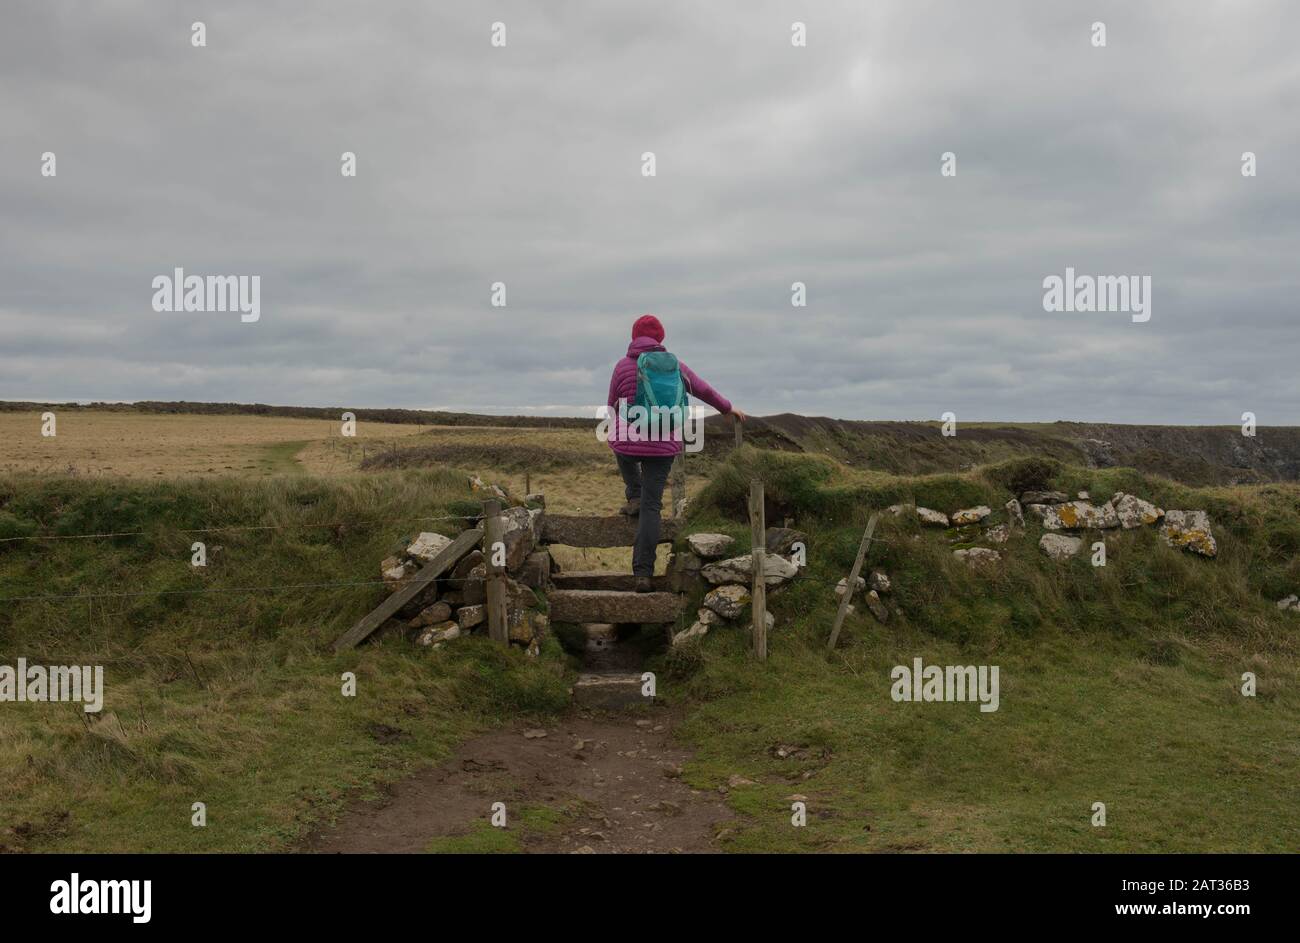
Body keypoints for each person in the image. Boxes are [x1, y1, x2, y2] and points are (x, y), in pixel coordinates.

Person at [605, 314, 746, 591]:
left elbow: (611, 406)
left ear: (634, 338)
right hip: (662, 446)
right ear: (660, 339)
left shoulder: (622, 367)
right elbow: (703, 389)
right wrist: (727, 408)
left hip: (628, 440)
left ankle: (633, 492)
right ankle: (643, 573)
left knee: (619, 445)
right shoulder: (675, 367)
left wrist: (619, 428)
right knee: (651, 507)